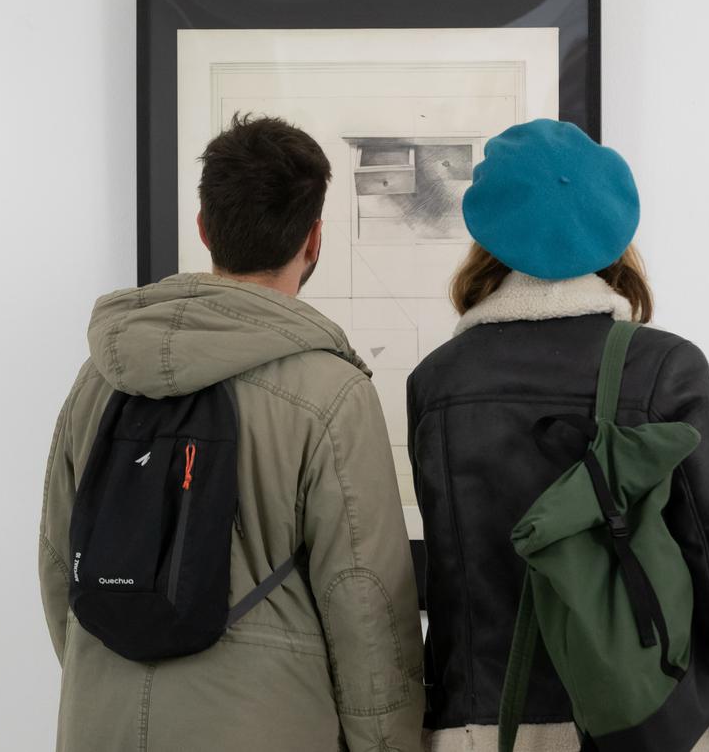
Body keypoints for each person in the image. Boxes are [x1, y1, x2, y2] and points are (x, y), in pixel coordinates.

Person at [37, 113, 423, 752]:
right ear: (314, 239)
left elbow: (59, 564)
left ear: (203, 228)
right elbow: (364, 600)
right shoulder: (330, 392)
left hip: (97, 718)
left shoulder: (99, 381)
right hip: (265, 723)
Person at [407, 119, 709, 751]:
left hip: (482, 722)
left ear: (490, 235)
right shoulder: (666, 368)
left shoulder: (438, 382)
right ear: (611, 231)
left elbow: (447, 575)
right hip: (646, 720)